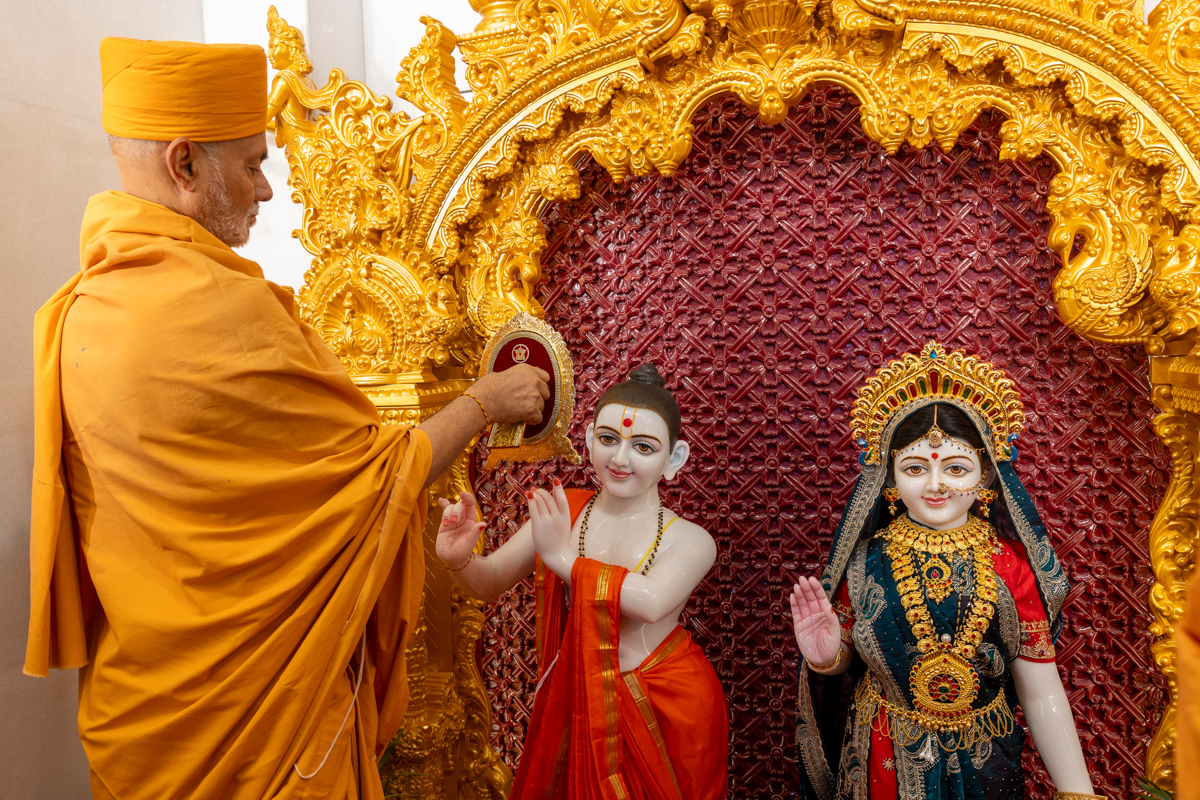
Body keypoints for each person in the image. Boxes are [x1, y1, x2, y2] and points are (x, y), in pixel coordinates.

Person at [25, 37, 549, 800]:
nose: (267, 191)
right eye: (252, 165)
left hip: (143, 712)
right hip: (259, 713)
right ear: (184, 164)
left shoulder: (82, 306)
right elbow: (375, 478)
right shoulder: (220, 306)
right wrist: (483, 403)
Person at [788, 342, 1101, 800]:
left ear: (986, 476)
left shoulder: (1010, 566)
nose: (936, 485)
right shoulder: (864, 563)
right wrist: (827, 658)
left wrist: (1077, 791)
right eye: (915, 468)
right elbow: (846, 661)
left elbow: (1041, 691)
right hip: (882, 757)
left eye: (956, 468)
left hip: (985, 760)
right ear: (890, 478)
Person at [435, 364, 729, 799]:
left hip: (665, 703)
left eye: (643, 447)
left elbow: (651, 602)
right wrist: (459, 560)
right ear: (589, 439)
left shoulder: (690, 539)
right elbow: (490, 580)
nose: (621, 459)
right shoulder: (564, 512)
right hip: (581, 699)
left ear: (674, 459)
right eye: (608, 439)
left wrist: (562, 558)